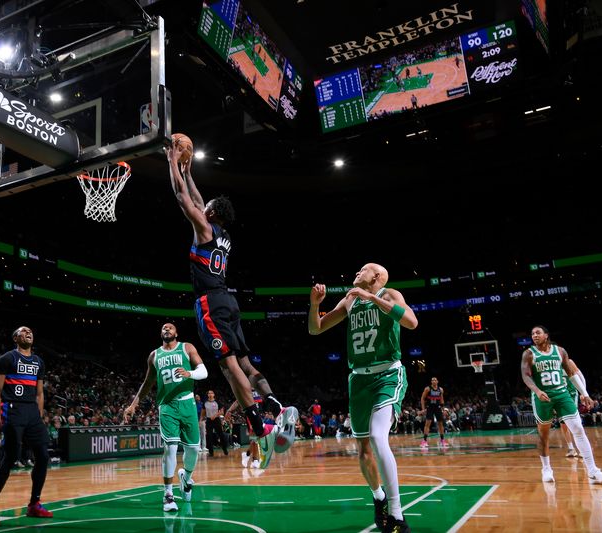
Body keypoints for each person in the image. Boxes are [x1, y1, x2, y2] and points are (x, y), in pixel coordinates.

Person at [166, 141, 297, 467]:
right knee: (247, 365)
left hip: (210, 302)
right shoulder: (221, 235)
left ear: (211, 213)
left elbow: (184, 199)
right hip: (229, 300)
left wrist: (172, 160)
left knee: (228, 366)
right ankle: (275, 405)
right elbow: (196, 199)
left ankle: (258, 424)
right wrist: (189, 170)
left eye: (206, 206)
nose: (202, 204)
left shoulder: (203, 228)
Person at [309, 264, 418, 533]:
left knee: (379, 437)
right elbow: (316, 329)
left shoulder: (390, 294)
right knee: (363, 449)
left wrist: (373, 298)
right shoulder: (349, 300)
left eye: (363, 269)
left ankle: (396, 513)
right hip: (358, 379)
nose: (357, 272)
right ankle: (378, 496)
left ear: (377, 278)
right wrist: (315, 305)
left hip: (387, 374)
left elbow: (412, 322)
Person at [123, 323, 208, 512]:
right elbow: (147, 383)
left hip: (187, 404)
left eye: (170, 327)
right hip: (167, 406)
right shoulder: (154, 355)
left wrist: (189, 373)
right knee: (170, 448)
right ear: (160, 333)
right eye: (163, 328)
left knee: (193, 449)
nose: (166, 329)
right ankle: (168, 495)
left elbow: (204, 371)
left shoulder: (187, 347)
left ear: (176, 332)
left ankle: (186, 476)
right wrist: (133, 404)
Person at [0, 326, 53, 527]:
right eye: (23, 331)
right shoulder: (7, 359)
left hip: (32, 413)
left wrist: (38, 416)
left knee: (43, 456)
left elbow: (39, 393)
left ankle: (34, 503)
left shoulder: (39, 362)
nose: (28, 333)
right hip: (12, 409)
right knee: (10, 457)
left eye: (30, 331)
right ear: (15, 338)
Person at [520, 325, 602, 484]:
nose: (534, 335)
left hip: (562, 394)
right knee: (544, 434)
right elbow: (526, 376)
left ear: (546, 335)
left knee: (578, 428)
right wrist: (536, 390)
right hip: (542, 397)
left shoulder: (560, 351)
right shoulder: (528, 354)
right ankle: (546, 468)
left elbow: (571, 374)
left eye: (538, 333)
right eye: (532, 333)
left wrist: (585, 394)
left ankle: (592, 471)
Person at [561, 358, 585, 458]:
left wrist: (583, 392)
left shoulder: (569, 362)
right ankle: (571, 448)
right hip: (560, 395)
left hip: (571, 394)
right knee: (563, 423)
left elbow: (581, 377)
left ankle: (582, 449)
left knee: (575, 422)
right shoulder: (549, 364)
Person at [420, 377, 448, 449]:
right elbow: (422, 399)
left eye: (435, 380)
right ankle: (424, 441)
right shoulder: (427, 389)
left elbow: (441, 399)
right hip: (430, 407)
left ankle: (442, 440)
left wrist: (443, 409)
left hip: (438, 407)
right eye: (432, 380)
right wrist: (423, 409)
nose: (434, 381)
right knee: (427, 423)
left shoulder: (440, 389)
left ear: (437, 381)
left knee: (440, 423)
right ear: (431, 382)